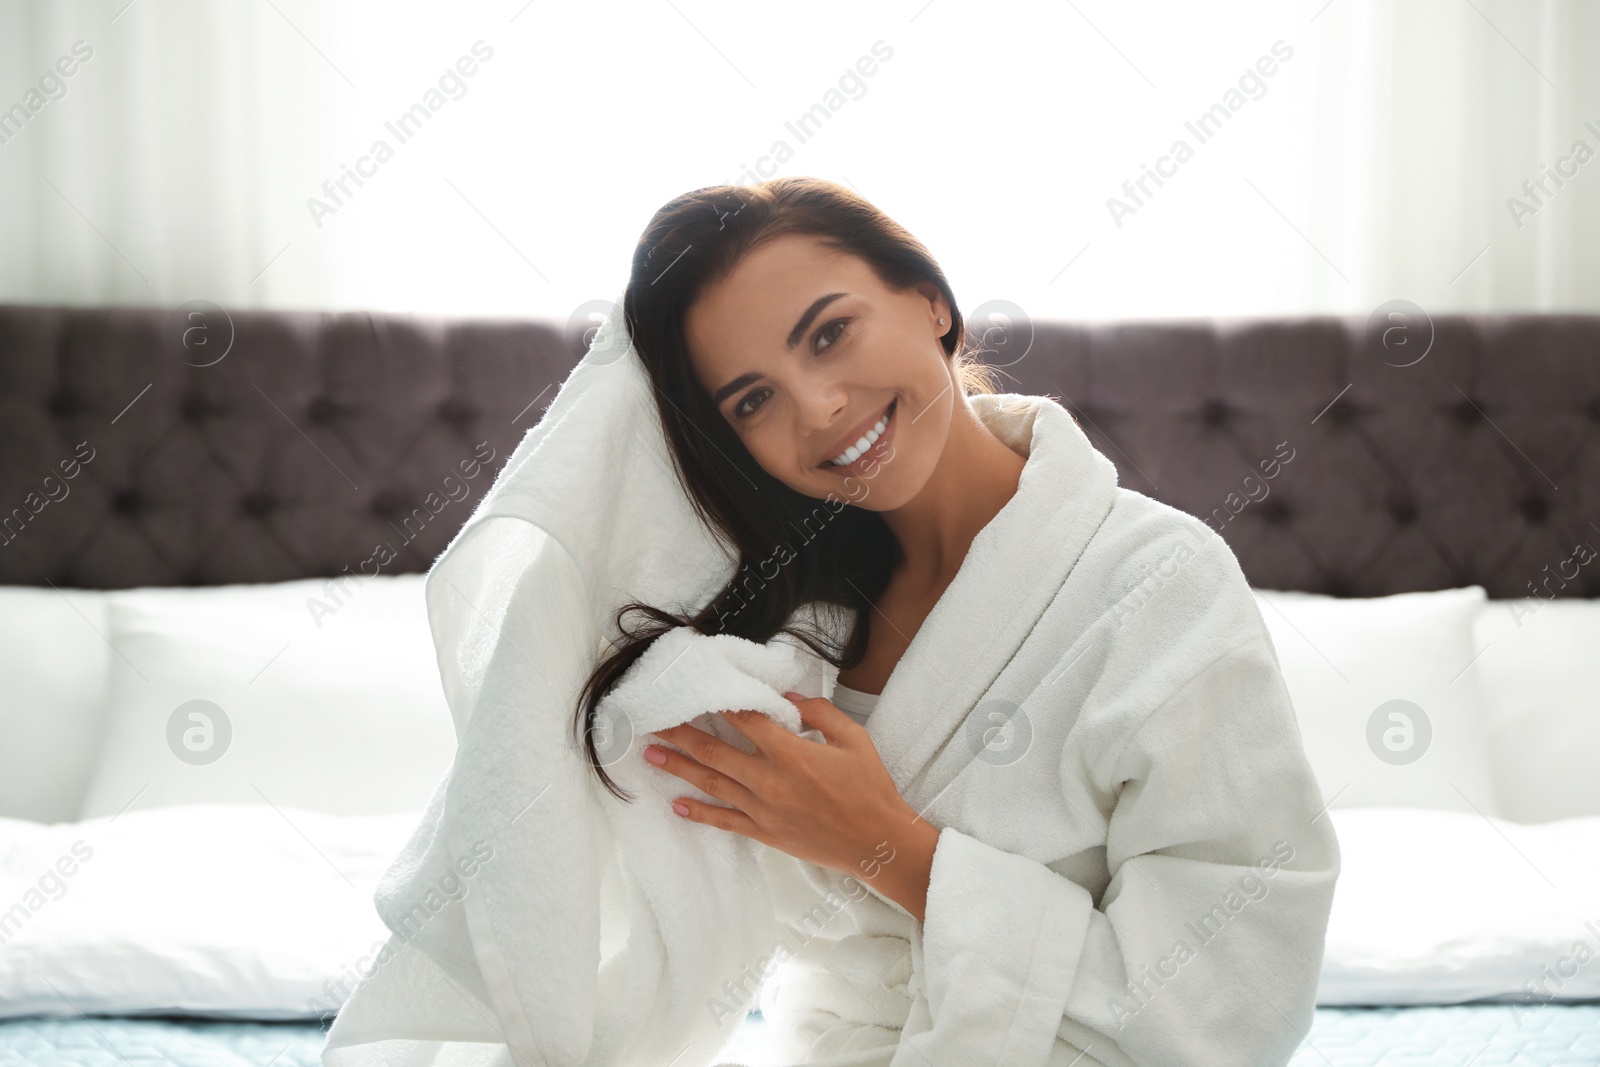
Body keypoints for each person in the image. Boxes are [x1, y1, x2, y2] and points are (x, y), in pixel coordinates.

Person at [573, 176, 1340, 1067]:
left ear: (930, 300)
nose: (816, 408)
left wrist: (886, 846)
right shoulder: (782, 630)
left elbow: (1236, 999)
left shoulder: (1158, 579)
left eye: (829, 334)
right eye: (753, 401)